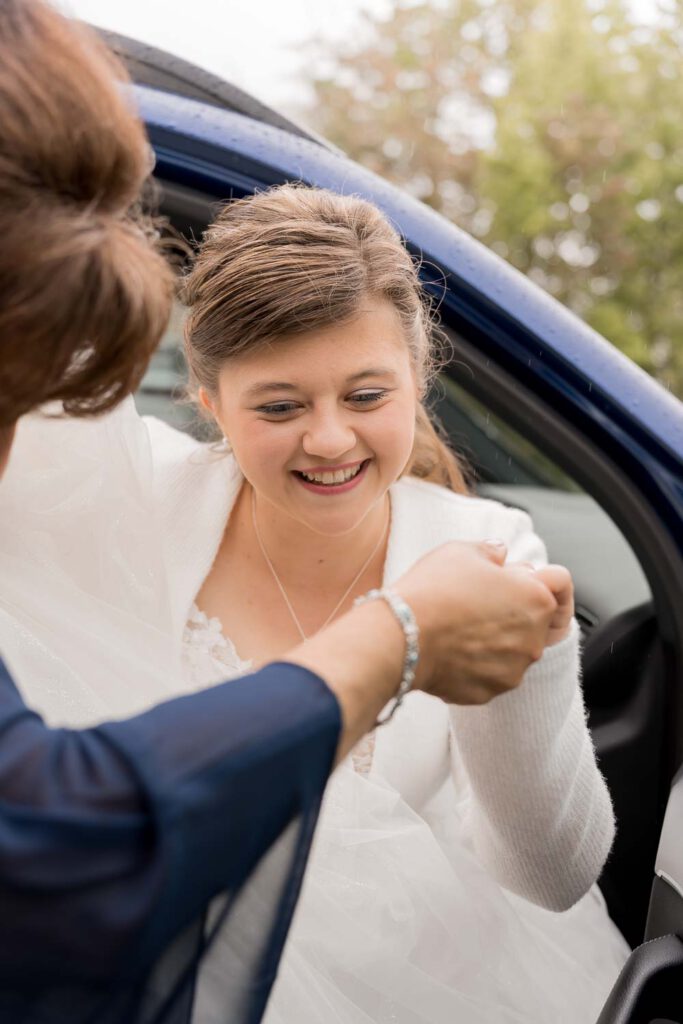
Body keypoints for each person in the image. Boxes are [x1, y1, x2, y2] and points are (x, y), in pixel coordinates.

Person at [0, 3, 570, 1023]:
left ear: (418, 378)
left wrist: (530, 673)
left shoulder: (487, 551)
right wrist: (400, 637)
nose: (327, 439)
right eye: (277, 405)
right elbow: (55, 835)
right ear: (208, 404)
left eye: (364, 396)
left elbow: (548, 873)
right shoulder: (124, 489)